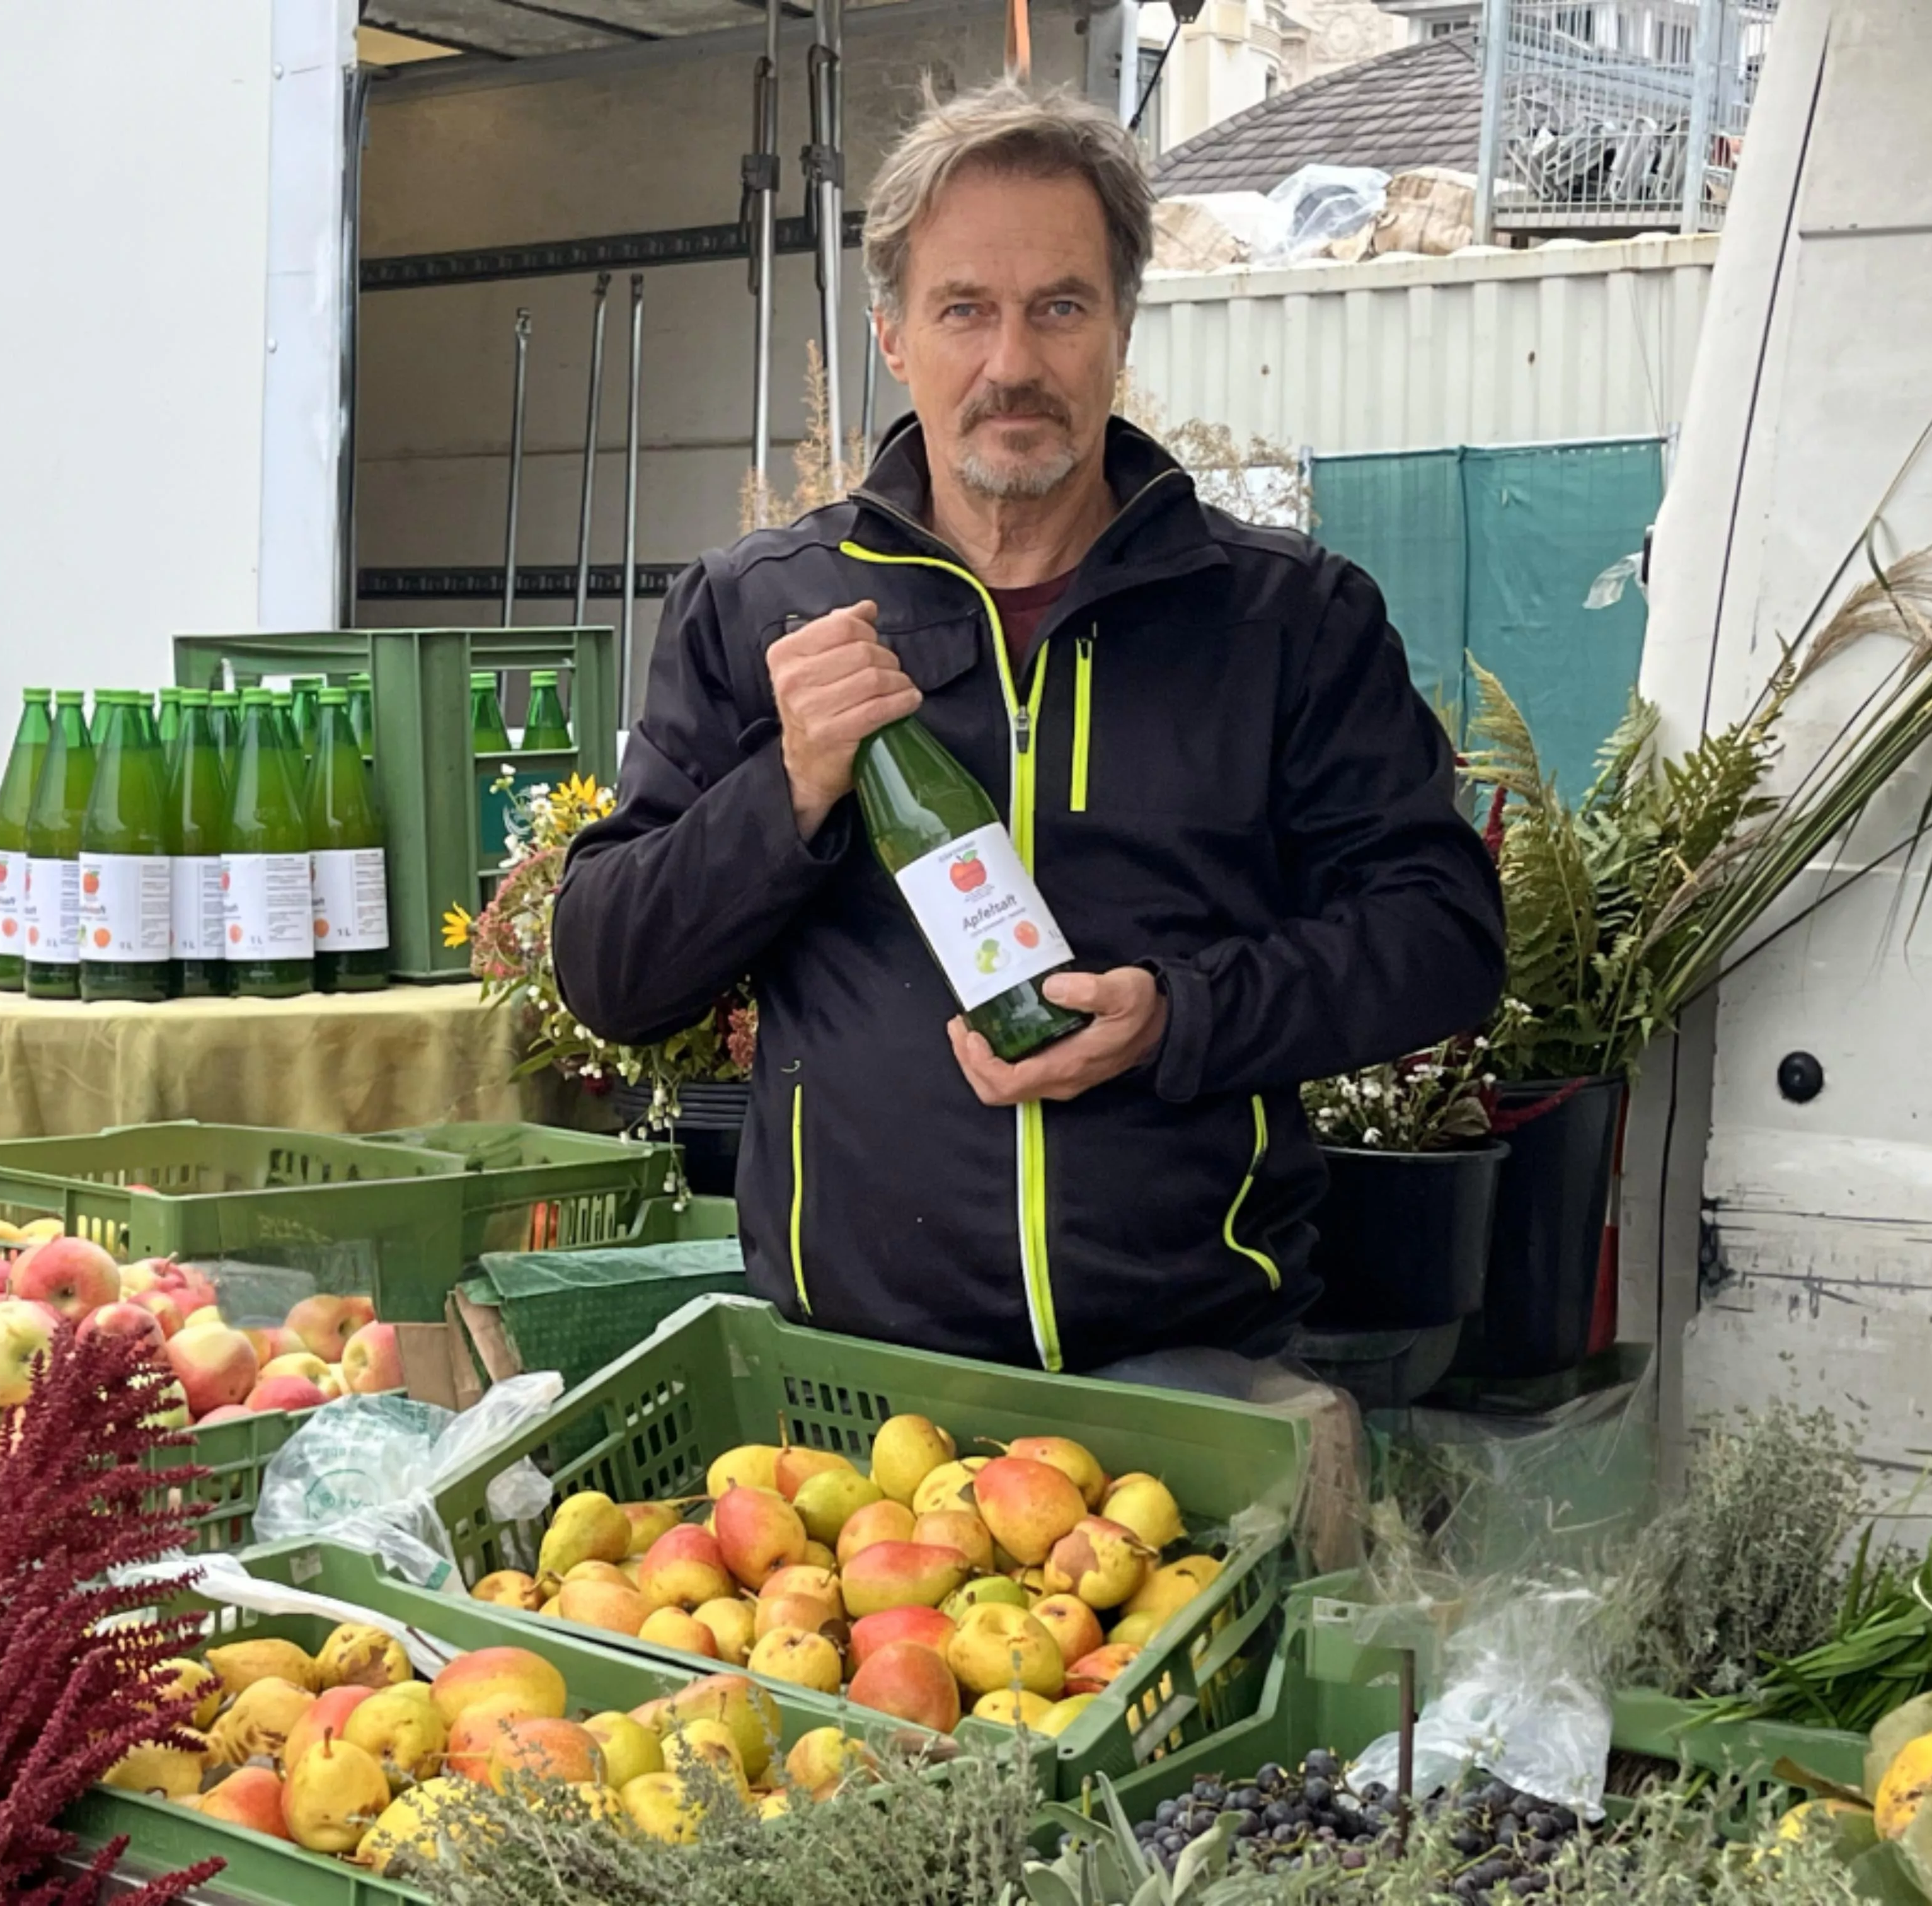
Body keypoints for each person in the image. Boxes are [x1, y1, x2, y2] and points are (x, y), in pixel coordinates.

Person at [551, 81, 1503, 1392]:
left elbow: (1443, 941)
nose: (1013, 364)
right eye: (964, 310)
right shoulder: (757, 609)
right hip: (852, 1387)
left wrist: (1180, 1018)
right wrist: (792, 787)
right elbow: (610, 972)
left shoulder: (1285, 620)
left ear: (1120, 327)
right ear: (891, 335)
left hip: (1197, 1369)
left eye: (1060, 306)